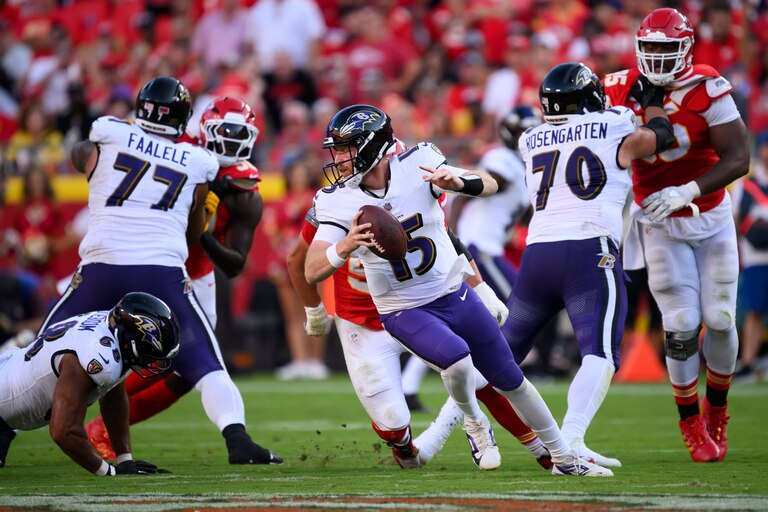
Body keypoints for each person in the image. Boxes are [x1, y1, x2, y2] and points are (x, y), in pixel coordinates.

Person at [304, 103, 613, 476]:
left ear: (373, 146)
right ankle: (474, 422)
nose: (338, 158)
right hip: (404, 308)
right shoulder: (337, 200)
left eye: (345, 147)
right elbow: (312, 268)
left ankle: (564, 458)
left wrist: (459, 181)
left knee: (512, 380)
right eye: (336, 149)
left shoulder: (420, 162)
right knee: (457, 358)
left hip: (452, 292)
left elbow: (490, 184)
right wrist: (346, 244)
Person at [37, 77, 282, 465]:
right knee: (144, 355)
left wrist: (201, 231)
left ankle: (100, 428)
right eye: (224, 132)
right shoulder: (185, 154)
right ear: (200, 128)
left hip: (187, 271)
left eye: (240, 134)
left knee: (181, 366)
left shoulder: (242, 188)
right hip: (161, 264)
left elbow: (234, 264)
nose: (232, 143)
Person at [288, 144, 553, 471]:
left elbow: (445, 237)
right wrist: (314, 309)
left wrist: (480, 287)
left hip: (422, 304)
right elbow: (300, 261)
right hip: (366, 321)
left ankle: (544, 450)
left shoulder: (413, 176)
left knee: (480, 375)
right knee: (393, 421)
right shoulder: (338, 202)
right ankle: (406, 449)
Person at [502, 62, 676, 468]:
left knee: (500, 353)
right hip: (588, 250)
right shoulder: (613, 123)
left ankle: (445, 432)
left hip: (538, 254)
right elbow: (660, 138)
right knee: (599, 352)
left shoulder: (531, 138)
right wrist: (650, 102)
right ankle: (573, 439)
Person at [603, 8, 750, 462]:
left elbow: (738, 157)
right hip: (658, 221)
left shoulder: (708, 87)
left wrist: (687, 188)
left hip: (709, 214)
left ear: (686, 48)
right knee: (682, 323)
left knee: (721, 319)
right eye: (650, 50)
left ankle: (717, 410)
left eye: (667, 50)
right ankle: (689, 421)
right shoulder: (615, 87)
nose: (658, 59)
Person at [403, 106, 540, 412]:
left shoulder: (523, 165)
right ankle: (498, 371)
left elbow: (526, 208)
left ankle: (410, 387)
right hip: (478, 249)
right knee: (521, 306)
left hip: (487, 246)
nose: (524, 140)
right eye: (520, 134)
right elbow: (495, 182)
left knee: (449, 321)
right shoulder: (502, 160)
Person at [0, 292, 178, 475]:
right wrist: (108, 471)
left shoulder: (111, 331)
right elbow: (64, 431)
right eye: (150, 354)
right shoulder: (95, 355)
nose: (152, 363)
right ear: (132, 340)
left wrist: (125, 459)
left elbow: (113, 399)